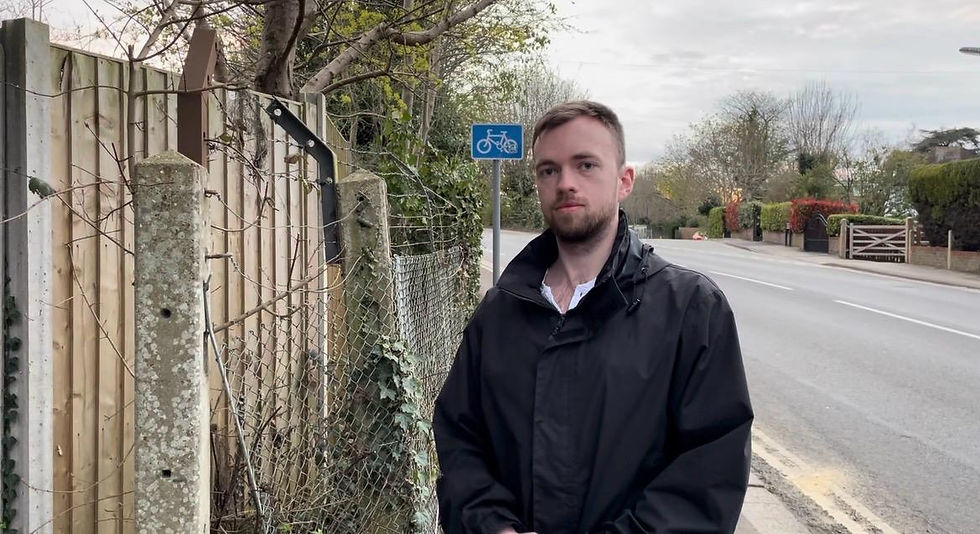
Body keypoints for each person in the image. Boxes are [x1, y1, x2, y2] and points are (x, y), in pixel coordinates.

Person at [433, 101, 753, 534]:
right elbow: (460, 439)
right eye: (549, 170)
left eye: (585, 165)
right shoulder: (501, 311)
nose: (565, 182)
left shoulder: (692, 310)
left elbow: (710, 471)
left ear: (624, 182)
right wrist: (493, 526)